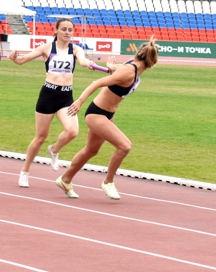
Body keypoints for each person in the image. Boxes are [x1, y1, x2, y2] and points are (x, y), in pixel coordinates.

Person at [55, 38, 159, 200]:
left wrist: (111, 68)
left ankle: (65, 179)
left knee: (91, 150)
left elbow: (118, 72)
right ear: (152, 62)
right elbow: (97, 82)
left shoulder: (132, 66)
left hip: (107, 115)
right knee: (124, 146)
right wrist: (79, 101)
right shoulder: (130, 71)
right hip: (97, 114)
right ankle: (108, 182)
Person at [8, 18, 94, 188]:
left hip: (65, 97)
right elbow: (22, 60)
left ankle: (54, 150)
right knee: (40, 137)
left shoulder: (76, 49)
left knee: (72, 131)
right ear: (56, 31)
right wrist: (14, 58)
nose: (67, 32)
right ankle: (25, 171)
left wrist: (88, 63)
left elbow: (83, 61)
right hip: (48, 95)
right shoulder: (47, 48)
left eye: (70, 30)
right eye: (64, 29)